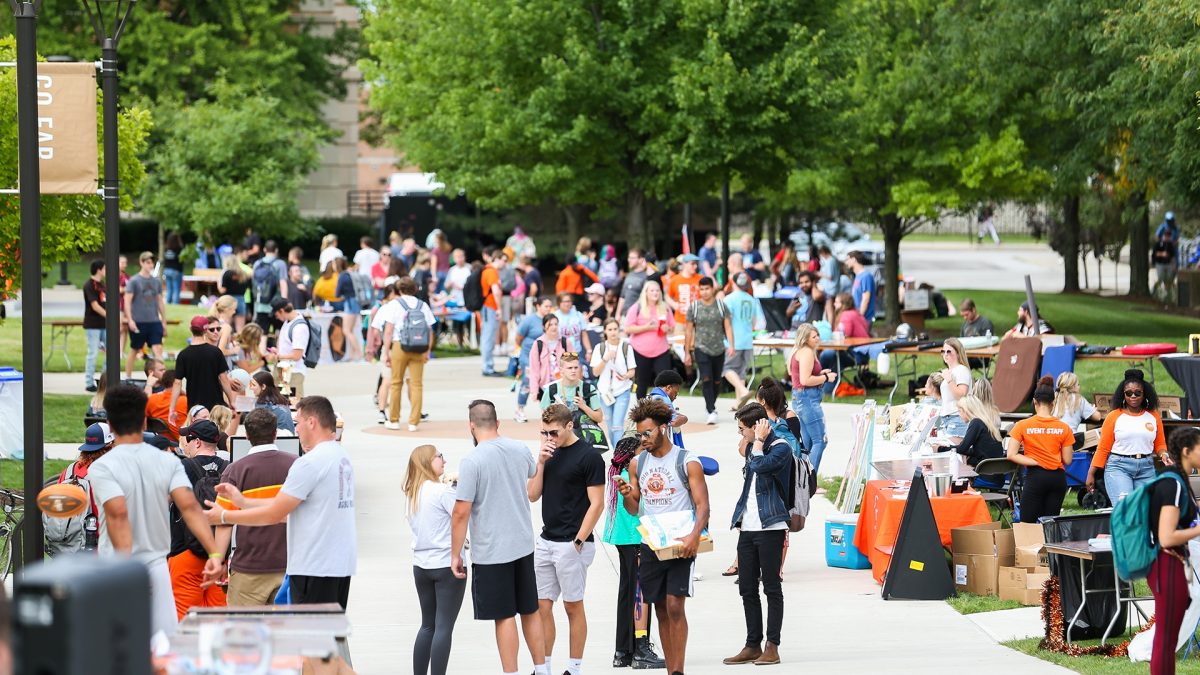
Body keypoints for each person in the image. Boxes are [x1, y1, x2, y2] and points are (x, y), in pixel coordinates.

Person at [89, 384, 224, 638]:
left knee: (118, 645)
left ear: (109, 423)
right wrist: (215, 553)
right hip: (157, 565)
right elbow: (191, 509)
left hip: (117, 566)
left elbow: (117, 515)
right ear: (143, 420)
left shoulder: (102, 466)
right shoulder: (168, 461)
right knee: (165, 645)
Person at [206, 396, 357, 608]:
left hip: (313, 568)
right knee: (327, 633)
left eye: (298, 422)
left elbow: (276, 513)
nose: (296, 429)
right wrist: (244, 501)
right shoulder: (340, 457)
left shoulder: (309, 464)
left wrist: (224, 515)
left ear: (311, 422)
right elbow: (290, 510)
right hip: (336, 565)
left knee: (307, 636)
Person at [449, 400, 549, 675]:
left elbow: (461, 511)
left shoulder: (472, 460)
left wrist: (455, 554)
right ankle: (542, 669)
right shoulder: (518, 448)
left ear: (471, 425)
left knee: (504, 616)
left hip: (492, 550)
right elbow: (532, 474)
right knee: (529, 609)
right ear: (498, 422)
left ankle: (511, 672)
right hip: (522, 543)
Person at [614, 398, 711, 675]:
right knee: (659, 608)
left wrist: (694, 537)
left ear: (663, 428)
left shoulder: (687, 461)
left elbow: (703, 505)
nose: (643, 439)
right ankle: (671, 670)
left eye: (648, 433)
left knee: (675, 605)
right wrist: (626, 495)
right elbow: (634, 509)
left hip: (681, 544)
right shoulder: (637, 464)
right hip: (652, 545)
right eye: (639, 434)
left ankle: (678, 670)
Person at [528, 404, 606, 675]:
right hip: (546, 540)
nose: (549, 437)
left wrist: (579, 542)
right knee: (540, 606)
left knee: (573, 606)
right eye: (544, 432)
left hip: (572, 542)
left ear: (569, 426)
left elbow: (597, 504)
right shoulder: (547, 454)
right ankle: (543, 668)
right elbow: (532, 495)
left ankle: (574, 668)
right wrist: (540, 462)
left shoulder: (589, 457)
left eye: (553, 432)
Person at [724, 403, 790, 666]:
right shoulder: (754, 446)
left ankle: (772, 645)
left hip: (771, 526)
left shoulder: (781, 447)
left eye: (743, 430)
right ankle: (752, 644)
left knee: (771, 587)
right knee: (747, 587)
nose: (741, 435)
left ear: (756, 426)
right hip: (748, 527)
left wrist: (760, 441)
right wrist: (755, 443)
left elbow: (762, 467)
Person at [404, 444, 465, 675]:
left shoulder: (413, 492)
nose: (444, 461)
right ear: (428, 461)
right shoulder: (442, 492)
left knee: (427, 625)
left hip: (421, 565)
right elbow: (461, 516)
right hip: (446, 564)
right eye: (440, 456)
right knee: (444, 627)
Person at [1147, 427, 1200, 675]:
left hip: (1171, 563)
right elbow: (1167, 537)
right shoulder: (1173, 483)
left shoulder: (1178, 480)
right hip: (1167, 563)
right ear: (1187, 451)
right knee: (1166, 640)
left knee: (1167, 639)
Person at [169, 419, 230, 618]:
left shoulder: (183, 467)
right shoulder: (229, 468)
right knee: (218, 620)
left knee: (185, 619)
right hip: (221, 556)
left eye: (187, 439)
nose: (185, 443)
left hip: (185, 552)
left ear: (196, 442)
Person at [1087, 369, 1167, 502]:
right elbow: (1103, 448)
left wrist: (1164, 455)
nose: (1133, 396)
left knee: (1146, 512)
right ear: (1123, 395)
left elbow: (1160, 444)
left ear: (1144, 394)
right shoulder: (1114, 416)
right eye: (1129, 393)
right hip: (1119, 467)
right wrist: (1091, 473)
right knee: (1125, 511)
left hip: (1146, 467)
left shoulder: (1154, 416)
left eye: (1138, 393)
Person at [1006, 376, 1075, 522]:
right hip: (1057, 478)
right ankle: (1048, 545)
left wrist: (1033, 461)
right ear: (1053, 403)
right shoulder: (1064, 427)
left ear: (1034, 402)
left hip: (1036, 476)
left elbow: (1011, 454)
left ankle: (1029, 546)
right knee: (1050, 524)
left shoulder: (1022, 425)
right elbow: (1068, 460)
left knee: (1028, 523)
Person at [44, 422, 112, 556]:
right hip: (95, 548)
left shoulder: (70, 470)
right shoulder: (104, 473)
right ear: (109, 446)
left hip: (66, 544)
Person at [382, 277, 437, 431]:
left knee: (396, 383)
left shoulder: (394, 305)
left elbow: (388, 331)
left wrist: (387, 352)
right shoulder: (422, 305)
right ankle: (413, 422)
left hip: (400, 345)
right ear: (415, 289)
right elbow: (429, 330)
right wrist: (428, 350)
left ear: (399, 290)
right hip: (419, 346)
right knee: (417, 384)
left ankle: (394, 420)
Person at [684, 277, 733, 425]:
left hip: (718, 348)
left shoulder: (721, 305)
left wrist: (731, 345)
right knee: (706, 378)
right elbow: (688, 331)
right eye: (702, 289)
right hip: (701, 347)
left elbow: (728, 327)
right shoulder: (694, 307)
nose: (704, 292)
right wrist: (687, 352)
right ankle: (712, 410)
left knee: (717, 381)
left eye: (707, 289)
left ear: (712, 289)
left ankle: (710, 404)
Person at [169, 316, 234, 425]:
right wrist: (232, 401)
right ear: (205, 330)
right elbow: (224, 379)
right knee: (215, 435)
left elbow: (177, 382)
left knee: (197, 436)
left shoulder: (183, 355)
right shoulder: (215, 352)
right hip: (215, 405)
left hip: (195, 406)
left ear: (191, 329)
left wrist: (172, 408)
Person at [789, 323, 834, 473]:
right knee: (820, 441)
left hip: (800, 398)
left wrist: (820, 374)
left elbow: (801, 377)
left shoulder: (799, 351)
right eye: (813, 336)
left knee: (807, 443)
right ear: (805, 339)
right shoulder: (807, 352)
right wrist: (826, 377)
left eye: (817, 335)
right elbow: (805, 380)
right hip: (807, 400)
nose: (817, 338)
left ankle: (800, 479)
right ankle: (810, 480)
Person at [624, 280, 674, 396]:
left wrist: (668, 329)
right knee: (642, 383)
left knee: (664, 382)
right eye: (652, 290)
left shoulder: (665, 308)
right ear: (645, 292)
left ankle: (663, 408)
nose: (655, 293)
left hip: (661, 350)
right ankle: (641, 411)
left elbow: (672, 327)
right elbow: (627, 328)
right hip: (640, 351)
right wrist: (646, 327)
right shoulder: (637, 307)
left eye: (657, 290)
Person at [591, 318, 636, 447]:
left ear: (619, 330)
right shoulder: (600, 348)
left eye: (615, 329)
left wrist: (626, 375)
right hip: (605, 392)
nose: (613, 332)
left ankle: (618, 457)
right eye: (610, 329)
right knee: (610, 425)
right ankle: (616, 450)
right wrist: (605, 359)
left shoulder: (626, 347)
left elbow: (632, 370)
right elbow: (595, 372)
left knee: (617, 425)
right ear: (605, 331)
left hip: (622, 389)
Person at [723, 273, 765, 410]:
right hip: (747, 339)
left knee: (726, 369)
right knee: (740, 372)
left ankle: (743, 391)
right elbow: (755, 322)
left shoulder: (729, 299)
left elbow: (725, 321)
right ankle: (738, 403)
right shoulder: (752, 299)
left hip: (733, 339)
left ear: (733, 282)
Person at [124, 251, 167, 379]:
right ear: (141, 263)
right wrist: (130, 320)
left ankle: (163, 379)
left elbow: (160, 301)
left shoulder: (156, 282)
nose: (150, 265)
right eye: (148, 262)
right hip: (139, 321)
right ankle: (128, 377)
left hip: (154, 321)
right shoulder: (134, 281)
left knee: (157, 348)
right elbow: (127, 301)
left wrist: (163, 320)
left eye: (152, 262)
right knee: (135, 349)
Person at [539, 353, 604, 431]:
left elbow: (599, 418)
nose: (573, 371)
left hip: (583, 437)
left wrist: (584, 406)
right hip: (560, 438)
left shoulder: (588, 388)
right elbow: (543, 421)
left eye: (576, 367)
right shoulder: (552, 390)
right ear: (561, 370)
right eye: (569, 368)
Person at [515, 297, 555, 423]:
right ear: (538, 306)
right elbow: (519, 336)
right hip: (528, 355)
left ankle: (546, 410)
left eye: (550, 306)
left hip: (544, 357)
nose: (548, 309)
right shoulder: (529, 320)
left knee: (546, 381)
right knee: (528, 380)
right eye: (546, 306)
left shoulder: (551, 320)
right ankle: (520, 409)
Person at [525, 313, 566, 423]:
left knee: (563, 418)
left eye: (556, 324)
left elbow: (573, 365)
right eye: (550, 324)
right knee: (548, 419)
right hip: (545, 388)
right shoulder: (538, 344)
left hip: (563, 386)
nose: (554, 327)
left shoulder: (565, 342)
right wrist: (534, 390)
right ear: (544, 326)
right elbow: (534, 369)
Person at [269, 297, 309, 398]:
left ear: (282, 311)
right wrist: (278, 351)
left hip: (294, 372)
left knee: (294, 405)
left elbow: (297, 355)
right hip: (284, 371)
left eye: (276, 314)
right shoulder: (288, 322)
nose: (276, 317)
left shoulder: (299, 327)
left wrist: (279, 356)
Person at [951, 395, 1004, 469]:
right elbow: (977, 450)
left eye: (959, 411)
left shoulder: (976, 423)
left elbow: (962, 448)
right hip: (996, 473)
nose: (959, 415)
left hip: (984, 474)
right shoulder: (986, 421)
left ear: (966, 410)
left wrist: (940, 449)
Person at [936, 338, 972, 437]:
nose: (945, 354)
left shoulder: (961, 370)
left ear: (957, 353)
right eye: (943, 351)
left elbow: (961, 395)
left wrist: (949, 380)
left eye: (949, 351)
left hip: (957, 418)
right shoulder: (951, 371)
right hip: (946, 418)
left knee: (954, 451)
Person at [251, 241, 289, 332]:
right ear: (276, 250)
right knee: (279, 331)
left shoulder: (257, 263)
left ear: (264, 249)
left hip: (260, 304)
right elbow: (283, 283)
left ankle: (262, 347)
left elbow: (254, 283)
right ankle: (277, 346)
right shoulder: (280, 264)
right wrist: (284, 303)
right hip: (275, 305)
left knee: (263, 333)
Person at [83, 259, 107, 392]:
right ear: (99, 269)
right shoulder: (89, 285)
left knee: (111, 352)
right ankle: (89, 382)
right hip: (93, 324)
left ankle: (105, 380)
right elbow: (95, 305)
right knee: (93, 353)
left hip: (105, 324)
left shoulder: (103, 285)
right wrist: (110, 316)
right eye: (104, 268)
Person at [480, 253, 505, 377]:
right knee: (488, 337)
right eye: (504, 260)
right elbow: (495, 291)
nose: (505, 264)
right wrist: (499, 308)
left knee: (487, 336)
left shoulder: (488, 270)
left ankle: (488, 365)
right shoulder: (491, 271)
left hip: (487, 306)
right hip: (490, 306)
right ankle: (487, 367)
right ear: (497, 259)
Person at [146, 370, 188, 442]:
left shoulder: (152, 399)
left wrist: (149, 385)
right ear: (178, 383)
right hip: (183, 443)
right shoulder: (185, 401)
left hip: (161, 443)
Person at [616, 248, 651, 319]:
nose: (629, 260)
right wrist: (618, 314)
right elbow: (622, 296)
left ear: (641, 260)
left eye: (632, 258)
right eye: (629, 257)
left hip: (639, 316)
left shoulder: (646, 277)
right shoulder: (629, 275)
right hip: (624, 316)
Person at [666, 254, 701, 324]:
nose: (695, 266)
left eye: (696, 264)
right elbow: (667, 296)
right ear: (684, 264)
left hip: (697, 320)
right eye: (692, 264)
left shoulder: (701, 279)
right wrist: (673, 304)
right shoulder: (674, 279)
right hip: (680, 321)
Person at [218, 256, 250, 326]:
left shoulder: (226, 273)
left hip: (228, 301)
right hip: (241, 300)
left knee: (226, 326)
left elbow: (222, 290)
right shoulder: (244, 274)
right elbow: (247, 287)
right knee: (240, 328)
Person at [846, 251, 876, 324]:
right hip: (858, 316)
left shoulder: (866, 276)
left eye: (848, 259)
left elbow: (866, 298)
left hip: (864, 318)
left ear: (854, 259)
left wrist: (859, 317)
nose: (846, 262)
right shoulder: (858, 276)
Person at [1152, 229, 1179, 302]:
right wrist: (1162, 254)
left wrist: (1174, 266)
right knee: (1161, 277)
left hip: (1168, 264)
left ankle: (1168, 296)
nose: (1167, 237)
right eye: (1166, 235)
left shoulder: (1170, 245)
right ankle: (1154, 291)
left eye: (1169, 236)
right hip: (1160, 263)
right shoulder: (1158, 243)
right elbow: (1155, 254)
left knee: (1169, 279)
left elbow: (1172, 256)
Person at [163, 232, 185, 304]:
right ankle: (175, 304)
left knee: (169, 289)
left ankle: (168, 303)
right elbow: (181, 260)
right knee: (176, 289)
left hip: (167, 270)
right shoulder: (179, 249)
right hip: (176, 270)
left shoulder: (166, 249)